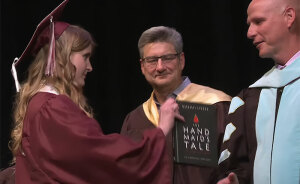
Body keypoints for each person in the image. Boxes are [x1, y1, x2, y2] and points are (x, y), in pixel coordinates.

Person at [6, 1, 184, 183]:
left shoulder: (39, 104)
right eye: (85, 56)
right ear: (63, 57)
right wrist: (160, 132)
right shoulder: (52, 108)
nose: (90, 67)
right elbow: (103, 158)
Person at [120, 26, 232, 184]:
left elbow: (237, 164)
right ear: (142, 67)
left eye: (167, 58)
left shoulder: (217, 105)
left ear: (181, 60)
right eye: (152, 60)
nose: (160, 67)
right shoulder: (134, 120)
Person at [217, 0, 300, 183]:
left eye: (259, 21)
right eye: (249, 25)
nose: (249, 33)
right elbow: (240, 165)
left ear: (289, 17)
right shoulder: (251, 97)